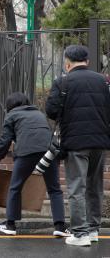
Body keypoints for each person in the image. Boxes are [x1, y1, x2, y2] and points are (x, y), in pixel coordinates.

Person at [46, 45, 110, 246]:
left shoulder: (62, 82)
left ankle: (80, 234)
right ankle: (93, 230)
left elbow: (51, 111)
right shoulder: (103, 81)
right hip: (100, 142)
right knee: (94, 187)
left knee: (76, 188)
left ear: (67, 63)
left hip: (75, 143)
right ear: (88, 62)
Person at [0, 92, 69, 237]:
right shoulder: (38, 113)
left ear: (9, 106)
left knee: (15, 187)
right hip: (47, 152)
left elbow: (5, 141)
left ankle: (10, 225)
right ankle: (60, 226)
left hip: (26, 152)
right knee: (54, 189)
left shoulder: (11, 115)